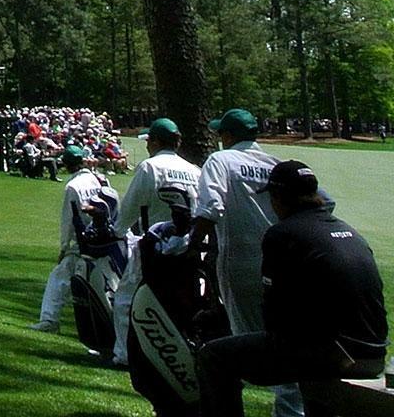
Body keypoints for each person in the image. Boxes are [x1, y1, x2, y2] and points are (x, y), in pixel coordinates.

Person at [196, 159, 386, 417]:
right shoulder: (349, 231)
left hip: (331, 354)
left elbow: (274, 316)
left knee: (214, 356)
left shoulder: (282, 234)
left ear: (278, 197)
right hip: (372, 353)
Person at [192, 109, 301, 417]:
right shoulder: (275, 163)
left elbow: (210, 206)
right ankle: (291, 411)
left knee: (246, 347)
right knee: (282, 339)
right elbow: (323, 200)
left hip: (240, 261)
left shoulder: (221, 160)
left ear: (227, 136)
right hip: (282, 263)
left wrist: (189, 245)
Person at [111, 117, 201, 369]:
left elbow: (129, 208)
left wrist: (118, 230)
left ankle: (123, 354)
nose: (148, 144)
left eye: (150, 140)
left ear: (157, 141)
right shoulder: (195, 170)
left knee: (126, 299)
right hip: (187, 246)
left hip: (154, 244)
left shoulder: (150, 167)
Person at [28, 144, 114, 333]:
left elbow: (68, 221)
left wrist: (63, 248)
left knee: (58, 279)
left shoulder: (72, 186)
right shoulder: (98, 179)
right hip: (105, 239)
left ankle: (49, 320)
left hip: (82, 243)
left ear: (67, 165)